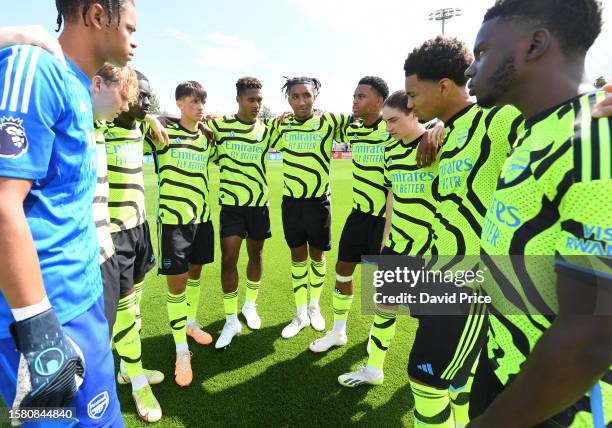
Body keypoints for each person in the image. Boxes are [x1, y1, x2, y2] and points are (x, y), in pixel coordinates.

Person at [465, 0, 611, 426]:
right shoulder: (537, 129)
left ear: (535, 45)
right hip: (506, 368)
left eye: (482, 53)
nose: (472, 69)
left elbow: (591, 341)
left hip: (561, 405)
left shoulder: (596, 139)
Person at [0, 1, 137, 426]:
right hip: (41, 322)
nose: (135, 38)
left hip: (84, 304)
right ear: (98, 16)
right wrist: (38, 329)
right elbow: (3, 203)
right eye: (129, 27)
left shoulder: (79, 85)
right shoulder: (34, 67)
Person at [398, 36, 524, 427]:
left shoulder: (498, 118)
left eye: (413, 94)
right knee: (452, 381)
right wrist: (437, 127)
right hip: (439, 270)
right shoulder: (444, 134)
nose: (410, 104)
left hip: (474, 279)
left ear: (443, 86)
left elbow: (558, 129)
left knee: (424, 379)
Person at [309, 76, 393, 353]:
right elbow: (321, 119)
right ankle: (338, 332)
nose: (354, 101)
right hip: (359, 215)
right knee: (342, 271)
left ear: (379, 101)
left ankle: (376, 336)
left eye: (361, 96)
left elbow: (425, 126)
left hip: (388, 220)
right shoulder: (353, 130)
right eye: (354, 96)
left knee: (383, 284)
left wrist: (435, 128)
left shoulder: (393, 129)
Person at [146, 80, 215, 386]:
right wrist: (151, 117)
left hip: (202, 218)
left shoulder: (206, 137)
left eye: (202, 102)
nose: (200, 107)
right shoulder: (162, 133)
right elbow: (130, 116)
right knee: (177, 284)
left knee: (196, 274)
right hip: (173, 222)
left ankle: (190, 323)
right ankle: (181, 350)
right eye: (193, 102)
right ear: (179, 104)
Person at [104, 70, 163, 421]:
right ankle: (138, 380)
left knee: (136, 305)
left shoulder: (139, 127)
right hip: (112, 234)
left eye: (148, 96)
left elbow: (157, 116)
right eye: (140, 95)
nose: (146, 101)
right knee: (124, 310)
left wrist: (152, 117)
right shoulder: (101, 127)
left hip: (139, 229)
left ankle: (128, 367)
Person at [271, 77, 349, 339]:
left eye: (306, 95)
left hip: (318, 202)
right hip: (291, 203)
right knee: (297, 258)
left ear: (315, 96)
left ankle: (315, 307)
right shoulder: (280, 126)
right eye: (295, 96)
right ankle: (300, 313)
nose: (301, 101)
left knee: (317, 257)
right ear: (288, 99)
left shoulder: (329, 122)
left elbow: (365, 122)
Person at [207, 77, 274, 349]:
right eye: (251, 99)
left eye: (259, 99)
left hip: (259, 204)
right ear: (238, 99)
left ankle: (250, 305)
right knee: (228, 259)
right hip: (231, 206)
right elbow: (193, 125)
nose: (257, 104)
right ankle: (230, 318)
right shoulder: (220, 126)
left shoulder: (267, 129)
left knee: (256, 255)